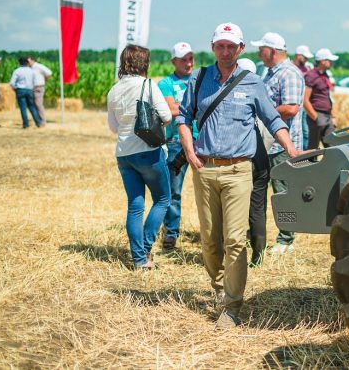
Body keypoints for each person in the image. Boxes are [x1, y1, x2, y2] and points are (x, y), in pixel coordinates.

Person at [176, 22, 300, 329]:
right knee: (209, 240)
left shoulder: (252, 82)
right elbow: (182, 116)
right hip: (205, 169)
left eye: (232, 46)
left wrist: (292, 150)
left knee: (234, 240)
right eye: (221, 45)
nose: (226, 50)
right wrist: (190, 151)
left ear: (241, 48)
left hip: (239, 170)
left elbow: (273, 119)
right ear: (213, 47)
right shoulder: (199, 78)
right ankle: (219, 287)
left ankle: (232, 305)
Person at [107, 45, 172, 270]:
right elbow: (165, 115)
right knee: (163, 199)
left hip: (124, 154)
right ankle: (145, 249)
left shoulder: (113, 90)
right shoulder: (148, 85)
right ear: (144, 63)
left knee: (135, 206)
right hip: (148, 151)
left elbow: (113, 127)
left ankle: (138, 259)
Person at [251, 32, 305, 255]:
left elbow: (291, 107)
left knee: (284, 195)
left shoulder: (289, 74)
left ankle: (286, 239)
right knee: (263, 192)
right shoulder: (272, 72)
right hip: (269, 143)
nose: (258, 53)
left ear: (272, 51)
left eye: (261, 49)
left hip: (282, 145)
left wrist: (262, 112)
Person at [157, 42, 198, 250]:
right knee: (174, 191)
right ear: (174, 61)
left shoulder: (200, 79)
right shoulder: (165, 83)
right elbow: (170, 109)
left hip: (202, 140)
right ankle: (171, 233)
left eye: (190, 58)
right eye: (184, 59)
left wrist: (182, 108)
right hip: (175, 142)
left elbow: (177, 108)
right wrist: (194, 108)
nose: (189, 63)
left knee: (209, 191)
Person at [237, 58, 269, 267]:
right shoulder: (261, 94)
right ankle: (258, 257)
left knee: (235, 208)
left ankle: (233, 255)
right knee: (257, 209)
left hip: (243, 158)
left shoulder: (235, 99)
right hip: (261, 158)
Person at [304, 48, 339, 149]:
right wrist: (315, 117)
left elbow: (328, 97)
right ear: (323, 61)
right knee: (313, 149)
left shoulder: (325, 75)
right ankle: (310, 164)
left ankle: (334, 164)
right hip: (317, 115)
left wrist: (333, 117)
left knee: (332, 146)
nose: (331, 62)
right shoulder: (311, 75)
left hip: (327, 116)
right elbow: (305, 100)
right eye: (329, 60)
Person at [9, 56, 42, 129]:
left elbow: (12, 83)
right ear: (27, 62)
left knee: (23, 108)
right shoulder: (31, 71)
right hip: (29, 90)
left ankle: (26, 124)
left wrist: (15, 89)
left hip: (20, 90)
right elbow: (35, 82)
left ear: (19, 62)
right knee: (32, 107)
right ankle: (38, 123)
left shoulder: (17, 71)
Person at [28, 56, 52, 125]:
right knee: (34, 105)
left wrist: (44, 80)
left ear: (33, 60)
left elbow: (49, 72)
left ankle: (43, 121)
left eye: (28, 61)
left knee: (38, 104)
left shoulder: (39, 66)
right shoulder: (30, 68)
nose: (27, 63)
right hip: (32, 88)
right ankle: (38, 120)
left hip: (39, 87)